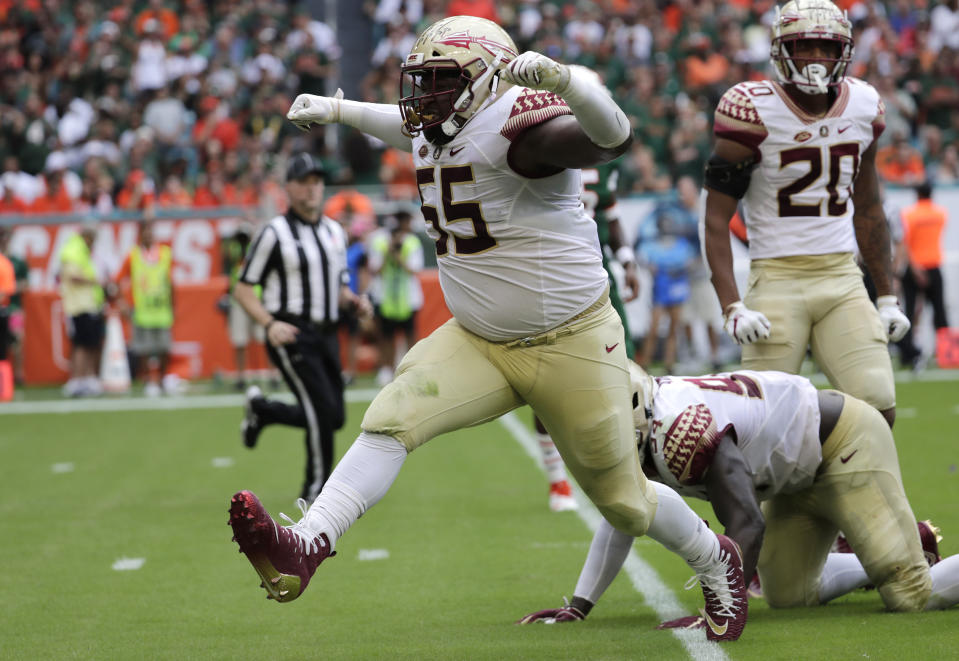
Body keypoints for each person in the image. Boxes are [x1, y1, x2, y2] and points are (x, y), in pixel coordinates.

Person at [229, 16, 748, 642]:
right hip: (478, 338)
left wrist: (570, 85)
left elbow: (609, 138)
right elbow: (406, 130)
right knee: (392, 415)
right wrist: (339, 110)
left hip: (573, 340)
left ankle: (717, 559)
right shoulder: (435, 126)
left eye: (441, 80)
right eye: (420, 80)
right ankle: (306, 544)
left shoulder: (522, 128)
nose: (424, 96)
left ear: (486, 80)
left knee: (624, 502)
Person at [519, 366, 959, 626]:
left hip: (843, 444)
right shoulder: (646, 424)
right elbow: (626, 517)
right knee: (789, 595)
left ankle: (897, 559)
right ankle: (897, 547)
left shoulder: (679, 429)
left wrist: (723, 610)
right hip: (788, 476)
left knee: (909, 596)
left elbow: (747, 522)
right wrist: (578, 608)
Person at [702, 0, 911, 429]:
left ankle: (841, 493)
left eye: (826, 49)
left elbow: (868, 207)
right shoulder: (750, 108)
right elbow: (715, 217)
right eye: (805, 47)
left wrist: (887, 297)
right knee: (761, 422)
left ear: (843, 53)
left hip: (841, 277)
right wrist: (732, 306)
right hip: (776, 278)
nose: (816, 59)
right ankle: (781, 497)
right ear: (781, 50)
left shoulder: (863, 105)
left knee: (878, 405)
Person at [234, 153, 371, 502]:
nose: (312, 188)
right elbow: (243, 288)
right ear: (289, 187)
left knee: (334, 416)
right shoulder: (274, 232)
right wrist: (269, 323)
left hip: (326, 332)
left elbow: (338, 287)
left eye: (317, 181)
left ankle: (264, 410)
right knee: (320, 415)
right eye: (304, 181)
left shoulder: (333, 232)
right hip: (291, 331)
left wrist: (353, 301)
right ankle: (316, 496)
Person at [114, 220, 174, 396]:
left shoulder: (164, 254)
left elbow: (170, 283)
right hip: (142, 311)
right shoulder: (132, 256)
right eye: (145, 231)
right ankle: (149, 380)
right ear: (140, 234)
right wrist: (123, 303)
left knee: (164, 347)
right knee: (144, 350)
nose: (148, 235)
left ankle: (162, 379)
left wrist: (173, 305)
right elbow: (117, 280)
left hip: (162, 310)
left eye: (150, 231)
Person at [895, 181, 950, 369]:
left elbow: (905, 243)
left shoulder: (909, 214)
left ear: (917, 195)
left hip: (914, 267)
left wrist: (915, 268)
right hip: (934, 266)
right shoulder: (941, 213)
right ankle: (946, 353)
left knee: (909, 312)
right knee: (940, 312)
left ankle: (908, 354)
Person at [368, 210, 424, 386]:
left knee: (410, 335)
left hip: (409, 299)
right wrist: (388, 252)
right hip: (384, 298)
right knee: (386, 336)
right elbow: (375, 270)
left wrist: (399, 256)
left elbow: (414, 270)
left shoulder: (412, 242)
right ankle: (386, 369)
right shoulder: (379, 241)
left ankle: (412, 369)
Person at [58, 222, 105, 398]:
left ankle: (86, 378)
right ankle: (77, 379)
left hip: (88, 303)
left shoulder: (80, 251)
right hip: (79, 305)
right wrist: (94, 281)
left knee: (90, 343)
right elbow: (72, 276)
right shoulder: (73, 250)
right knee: (81, 344)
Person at [0, 226, 28, 384]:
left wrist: (11, 287)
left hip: (14, 307)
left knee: (16, 342)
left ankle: (18, 376)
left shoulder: (16, 261)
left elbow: (25, 283)